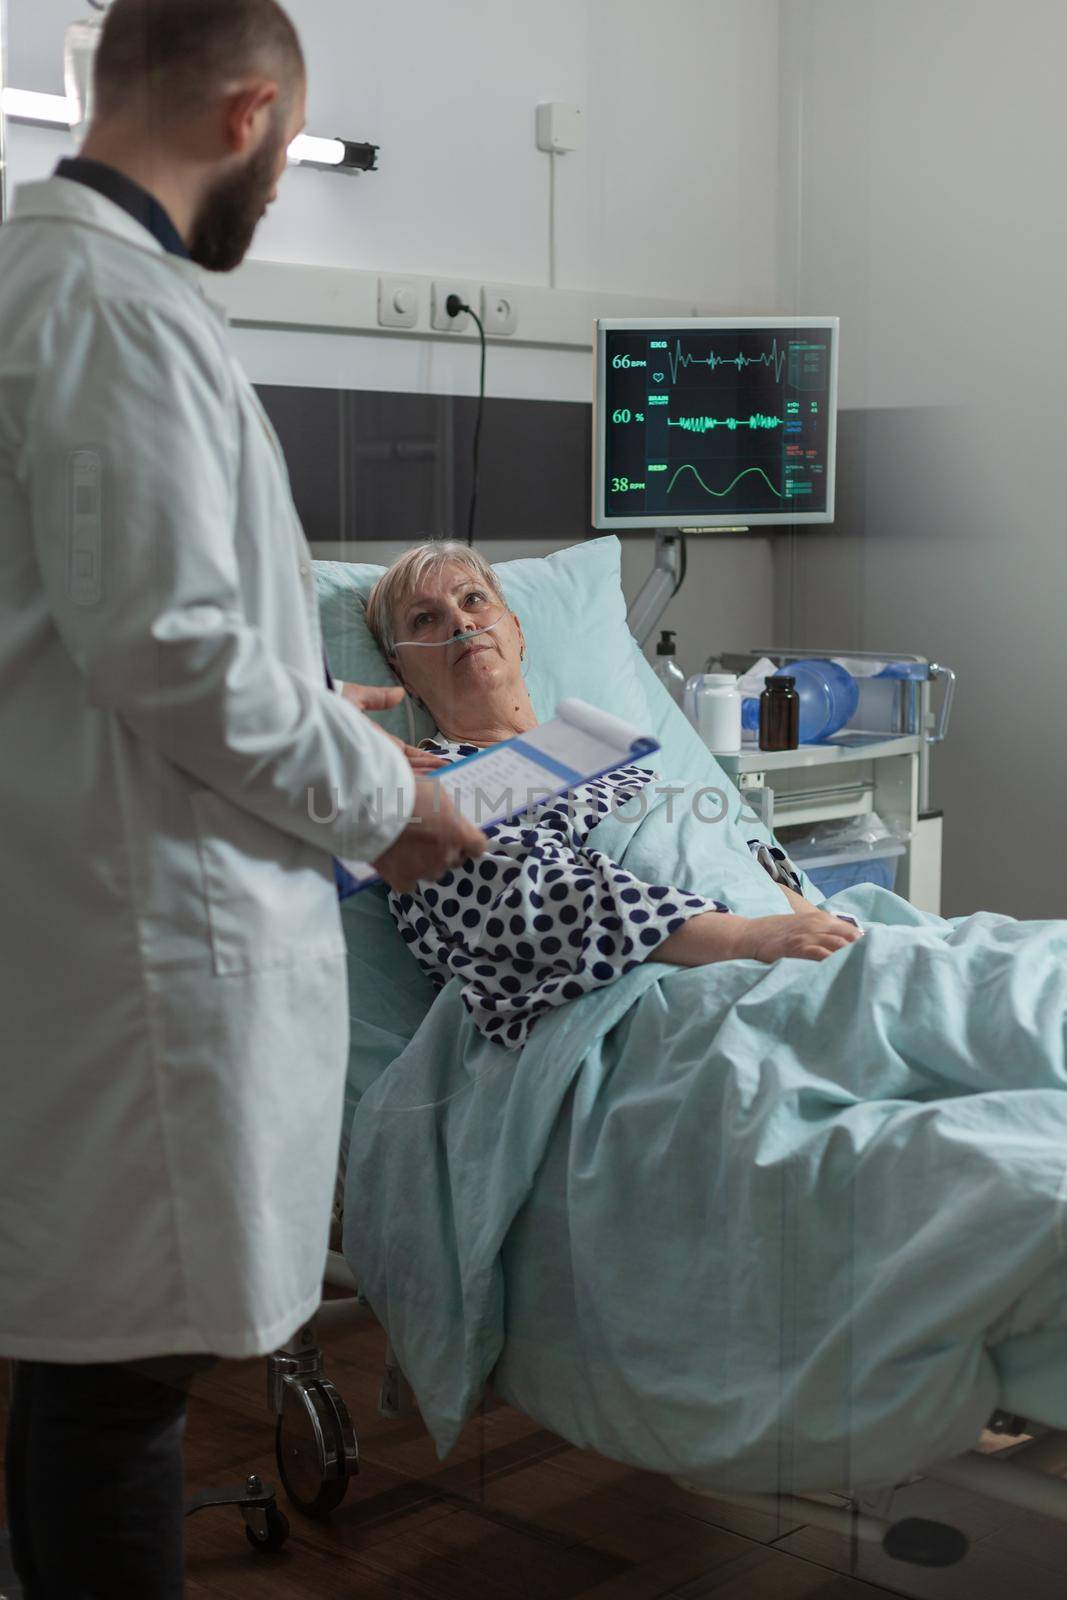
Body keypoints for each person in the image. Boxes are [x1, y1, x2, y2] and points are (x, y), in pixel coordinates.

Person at [0, 3, 483, 1595]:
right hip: (146, 951)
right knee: (111, 1405)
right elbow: (173, 649)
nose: (275, 190)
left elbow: (113, 632)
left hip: (106, 898)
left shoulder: (58, 291)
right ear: (250, 115)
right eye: (283, 159)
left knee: (95, 1395)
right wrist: (388, 798)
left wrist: (311, 694)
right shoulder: (105, 306)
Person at [364, 542, 863, 1048]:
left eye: (472, 599)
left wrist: (827, 929)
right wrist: (749, 938)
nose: (460, 623)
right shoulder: (431, 790)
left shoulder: (599, 754)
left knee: (913, 970)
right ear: (401, 671)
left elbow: (730, 857)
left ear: (516, 631)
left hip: (778, 936)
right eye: (424, 619)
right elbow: (542, 905)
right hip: (649, 992)